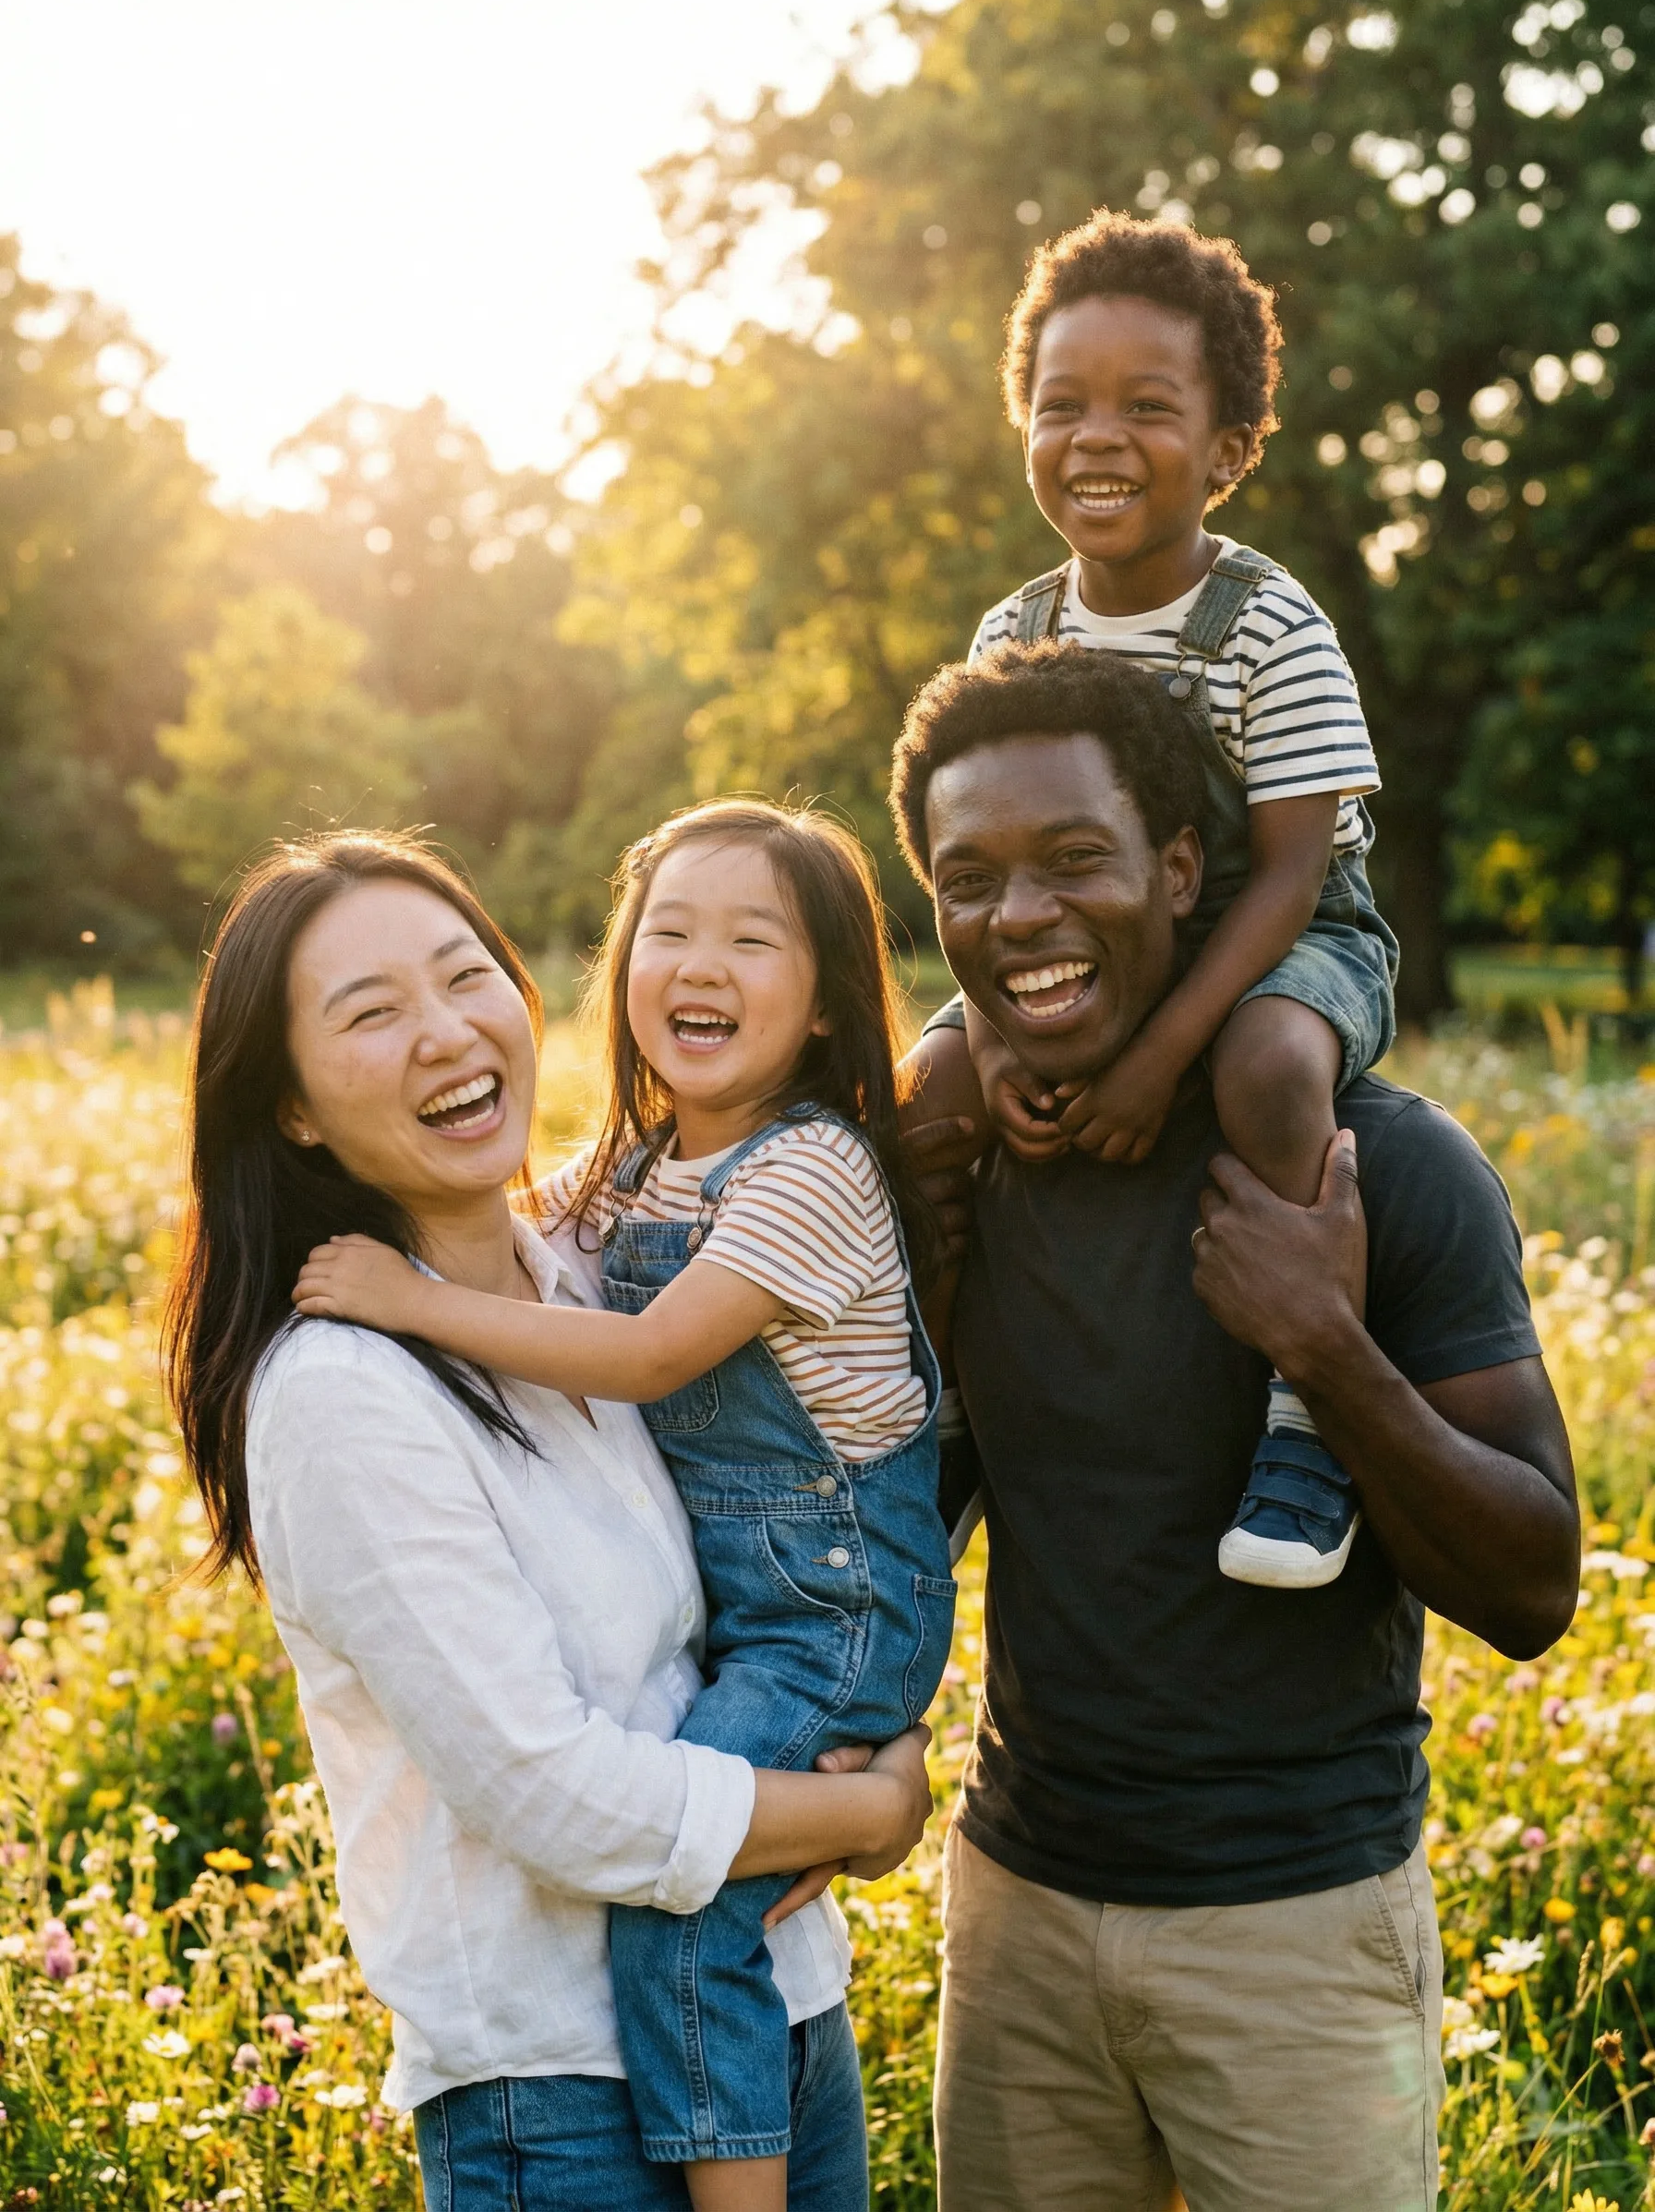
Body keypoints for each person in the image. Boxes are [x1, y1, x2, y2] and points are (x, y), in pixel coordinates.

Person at [891, 645, 1579, 2212]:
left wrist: (1323, 1348)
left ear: (1185, 867)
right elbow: (905, 1515)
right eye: (970, 878)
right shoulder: (961, 1167)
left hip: (1299, 1935)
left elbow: (1535, 1590)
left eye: (1078, 861)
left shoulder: (1375, 1166)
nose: (1022, 918)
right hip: (1017, 1918)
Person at [163, 830, 936, 2212]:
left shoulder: (594, 1274)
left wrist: (894, 1726)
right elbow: (552, 1794)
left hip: (785, 2020)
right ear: (289, 1108)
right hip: (567, 2103)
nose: (447, 1032)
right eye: (373, 1011)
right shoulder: (344, 1389)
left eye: (468, 977)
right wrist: (865, 1809)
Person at [923, 206, 1399, 1590]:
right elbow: (976, 866)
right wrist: (1002, 1040)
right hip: (1076, 953)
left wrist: (1153, 1063)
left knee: (1265, 1061)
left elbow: (1296, 873)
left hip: (1284, 939)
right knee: (925, 1099)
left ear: (1229, 450)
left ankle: (1305, 1425)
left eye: (1148, 406)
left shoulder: (1270, 626)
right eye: (1061, 403)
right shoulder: (1012, 634)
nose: (1098, 437)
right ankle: (953, 1408)